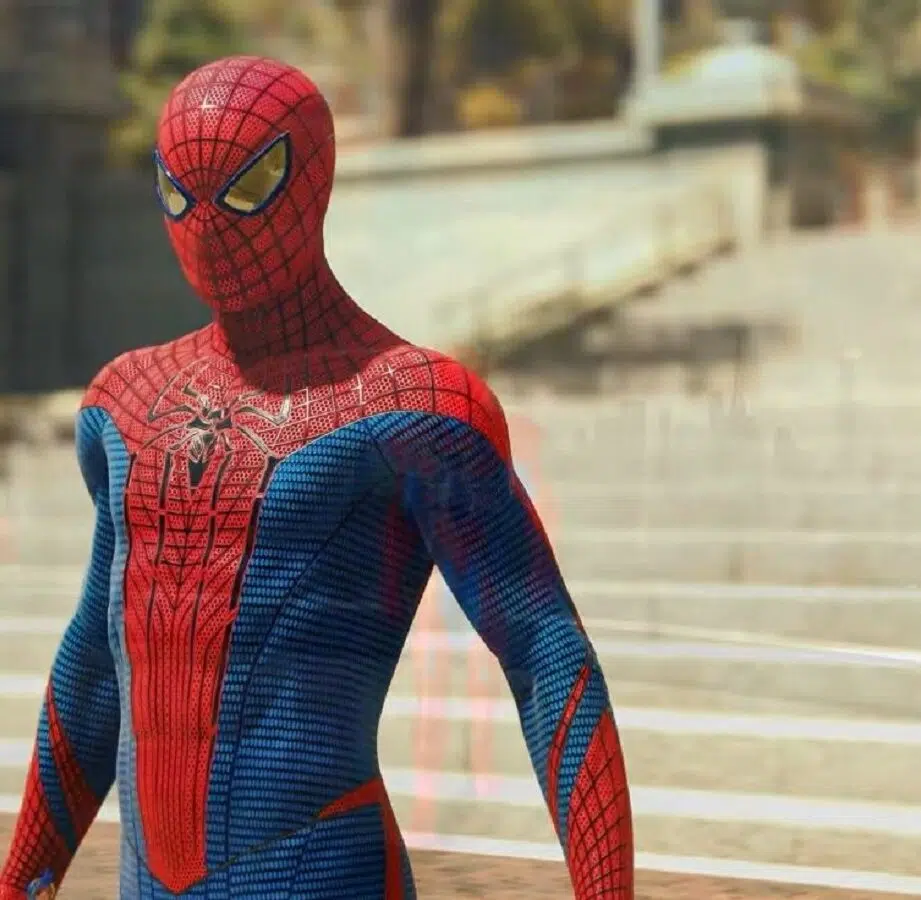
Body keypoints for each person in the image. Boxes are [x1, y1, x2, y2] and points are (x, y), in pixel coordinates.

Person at [0, 56, 634, 899]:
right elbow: (95, 663)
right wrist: (22, 880)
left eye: (246, 188)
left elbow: (545, 654)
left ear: (316, 178)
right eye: (178, 194)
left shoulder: (415, 409)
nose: (208, 227)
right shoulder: (123, 406)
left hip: (324, 869)